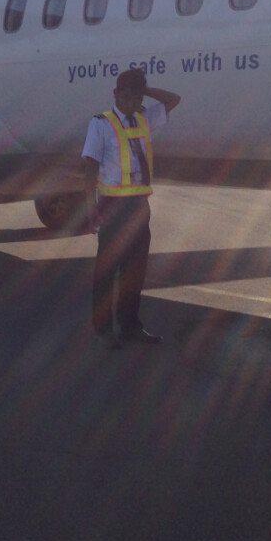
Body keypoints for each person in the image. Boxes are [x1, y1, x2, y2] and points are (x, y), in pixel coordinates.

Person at [81, 68, 181, 349]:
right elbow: (90, 168)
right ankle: (103, 330)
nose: (129, 103)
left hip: (139, 206)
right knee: (107, 272)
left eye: (135, 98)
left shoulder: (143, 119)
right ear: (115, 94)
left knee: (134, 271)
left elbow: (174, 99)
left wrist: (145, 91)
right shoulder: (101, 123)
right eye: (124, 96)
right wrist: (91, 210)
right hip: (112, 206)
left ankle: (129, 326)